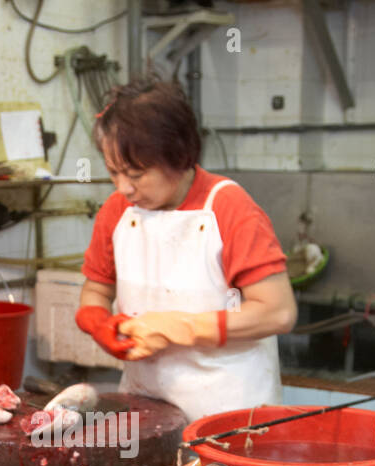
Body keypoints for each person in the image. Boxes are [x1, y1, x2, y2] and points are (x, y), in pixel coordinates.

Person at [75, 77, 297, 422]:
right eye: (113, 173)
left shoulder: (229, 208)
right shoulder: (117, 211)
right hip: (146, 409)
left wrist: (180, 328)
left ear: (178, 156)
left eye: (136, 173)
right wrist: (96, 320)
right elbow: (96, 290)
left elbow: (278, 312)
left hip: (230, 412)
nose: (124, 188)